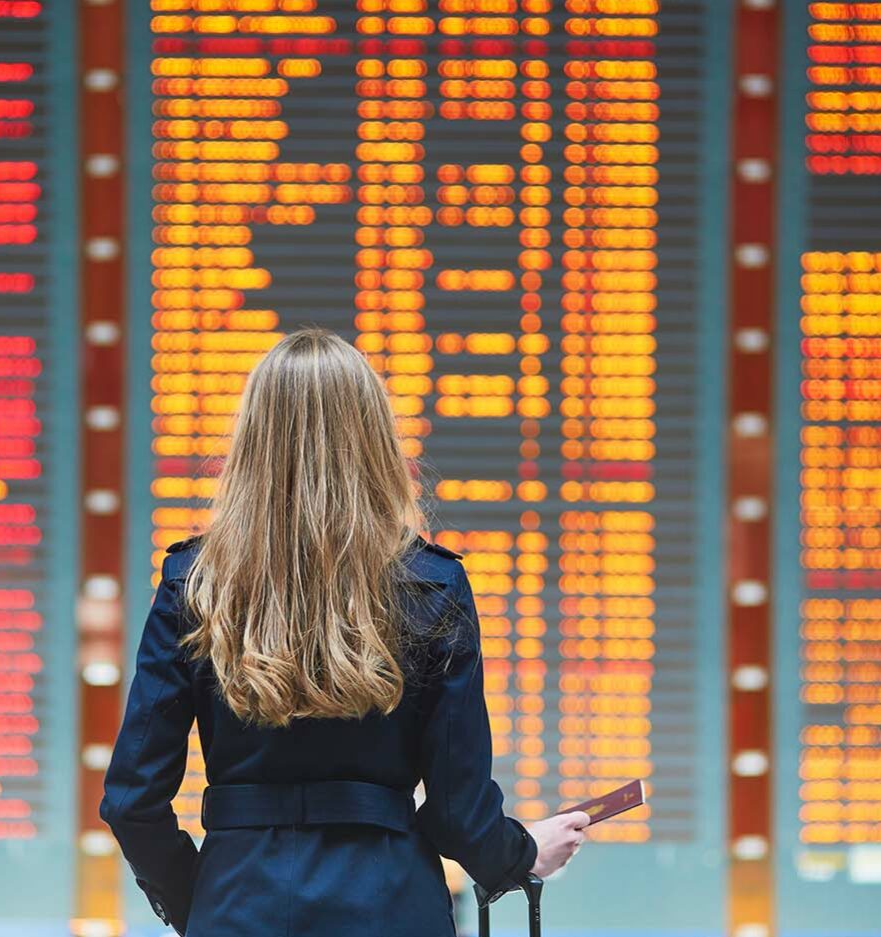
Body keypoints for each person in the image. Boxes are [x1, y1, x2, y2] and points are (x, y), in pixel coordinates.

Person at [99, 328, 590, 936]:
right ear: (374, 439)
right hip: (389, 907)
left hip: (235, 902)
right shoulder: (432, 584)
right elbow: (458, 810)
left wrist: (198, 900)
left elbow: (132, 802)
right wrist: (519, 853)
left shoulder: (193, 583)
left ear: (250, 441)